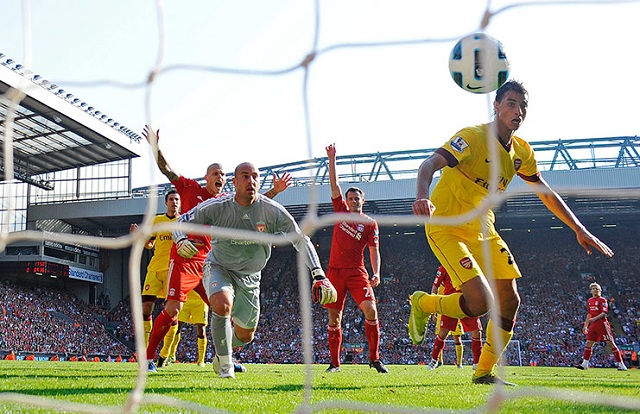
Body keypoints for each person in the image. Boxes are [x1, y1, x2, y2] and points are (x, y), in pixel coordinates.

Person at [409, 80, 614, 385]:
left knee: (510, 300)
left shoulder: (521, 152)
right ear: (496, 106)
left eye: (523, 106)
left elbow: (544, 192)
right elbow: (429, 164)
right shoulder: (473, 137)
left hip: (483, 228)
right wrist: (422, 195)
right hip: (446, 226)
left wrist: (579, 228)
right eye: (511, 103)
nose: (518, 111)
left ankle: (484, 371)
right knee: (479, 303)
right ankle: (424, 303)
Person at [143, 127, 292, 373]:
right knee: (173, 309)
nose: (219, 176)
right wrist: (156, 148)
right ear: (206, 177)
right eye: (215, 173)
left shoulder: (226, 202)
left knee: (226, 309)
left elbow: (255, 203)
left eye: (223, 174)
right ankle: (148, 359)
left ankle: (225, 358)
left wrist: (275, 190)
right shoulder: (191, 189)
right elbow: (167, 170)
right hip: (183, 258)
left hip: (211, 263)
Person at [172, 161, 337, 379]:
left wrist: (319, 274)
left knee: (246, 335)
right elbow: (179, 222)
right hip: (220, 266)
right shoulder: (218, 206)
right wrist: (180, 239)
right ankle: (225, 367)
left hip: (250, 277)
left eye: (255, 176)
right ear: (234, 182)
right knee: (222, 304)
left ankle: (223, 352)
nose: (251, 181)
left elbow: (300, 239)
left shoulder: (272, 210)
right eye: (245, 176)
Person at [322, 143, 388, 374]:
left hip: (357, 272)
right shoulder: (338, 208)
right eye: (350, 198)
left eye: (357, 198)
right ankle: (334, 364)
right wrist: (332, 159)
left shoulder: (370, 223)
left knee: (371, 310)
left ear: (363, 201)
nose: (353, 201)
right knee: (334, 317)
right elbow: (334, 183)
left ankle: (375, 359)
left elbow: (373, 249)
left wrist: (376, 272)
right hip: (334, 272)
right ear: (346, 200)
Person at [130, 189, 181, 347]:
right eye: (171, 199)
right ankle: (145, 352)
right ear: (166, 202)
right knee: (145, 308)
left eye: (177, 200)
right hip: (155, 269)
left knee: (172, 313)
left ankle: (165, 353)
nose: (174, 202)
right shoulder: (157, 221)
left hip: (173, 270)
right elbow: (150, 244)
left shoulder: (184, 222)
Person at [426, 265, 483, 371]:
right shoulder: (443, 268)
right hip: (449, 304)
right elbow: (435, 286)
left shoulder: (466, 264)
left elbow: (477, 283)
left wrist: (480, 304)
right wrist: (432, 305)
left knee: (476, 331)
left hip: (466, 302)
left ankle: (477, 363)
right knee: (443, 333)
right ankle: (434, 360)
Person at [576, 282, 627, 371]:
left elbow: (604, 313)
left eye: (597, 288)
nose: (595, 290)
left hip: (602, 324)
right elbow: (589, 314)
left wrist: (594, 318)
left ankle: (621, 364)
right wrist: (585, 325)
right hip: (593, 324)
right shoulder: (590, 301)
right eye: (593, 288)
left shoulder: (602, 300)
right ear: (591, 291)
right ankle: (585, 364)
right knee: (588, 343)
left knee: (610, 343)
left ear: (600, 290)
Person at [163, 289, 210, 368]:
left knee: (201, 329)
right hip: (185, 299)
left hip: (200, 301)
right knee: (176, 327)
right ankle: (171, 355)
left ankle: (201, 360)